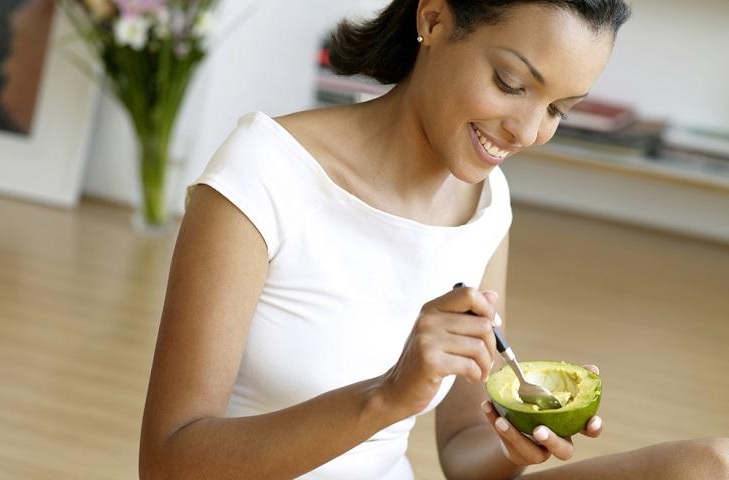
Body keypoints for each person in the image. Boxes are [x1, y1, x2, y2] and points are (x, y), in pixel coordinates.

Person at [139, 1, 729, 478]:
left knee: (709, 466)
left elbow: (463, 443)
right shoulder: (261, 175)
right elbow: (170, 461)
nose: (527, 131)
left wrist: (511, 443)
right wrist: (387, 397)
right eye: (512, 82)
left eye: (559, 110)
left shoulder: (488, 202)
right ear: (434, 19)